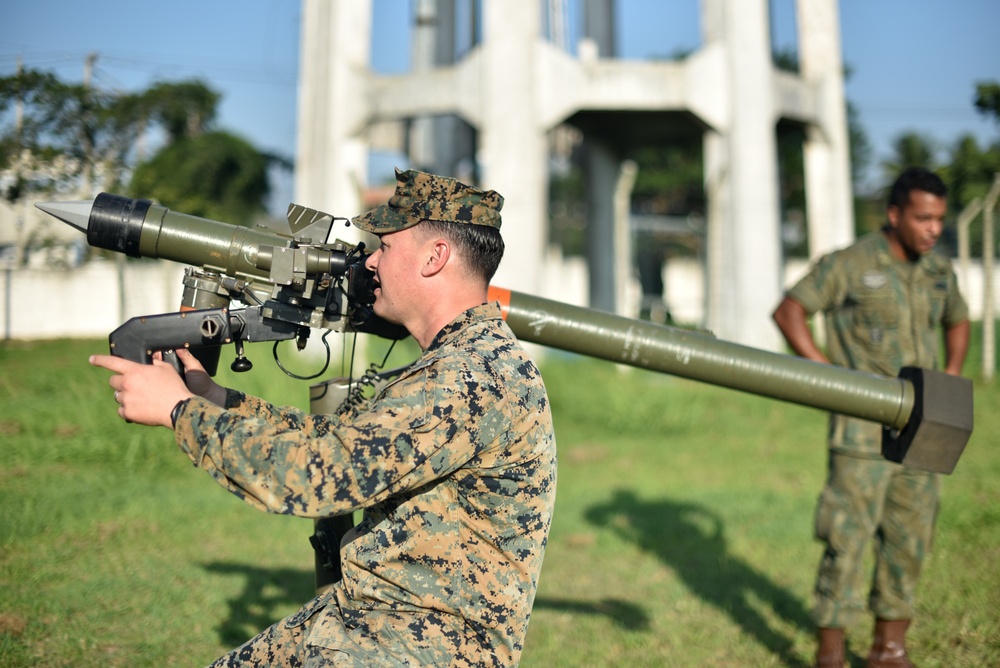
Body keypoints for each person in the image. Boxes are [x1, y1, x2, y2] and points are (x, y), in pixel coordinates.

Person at [91, 168, 558, 667]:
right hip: (372, 617)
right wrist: (215, 399)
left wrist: (178, 411)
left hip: (428, 645)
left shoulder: (469, 377)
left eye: (385, 246)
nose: (371, 262)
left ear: (434, 257)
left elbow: (316, 474)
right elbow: (346, 442)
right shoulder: (460, 361)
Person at [772, 167, 970, 668]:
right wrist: (823, 375)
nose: (932, 229)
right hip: (861, 428)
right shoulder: (850, 263)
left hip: (925, 425)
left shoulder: (939, 270)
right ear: (895, 214)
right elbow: (790, 310)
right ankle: (831, 655)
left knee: (911, 536)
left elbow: (958, 318)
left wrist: (949, 379)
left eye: (939, 220)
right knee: (847, 539)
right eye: (923, 218)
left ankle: (889, 650)